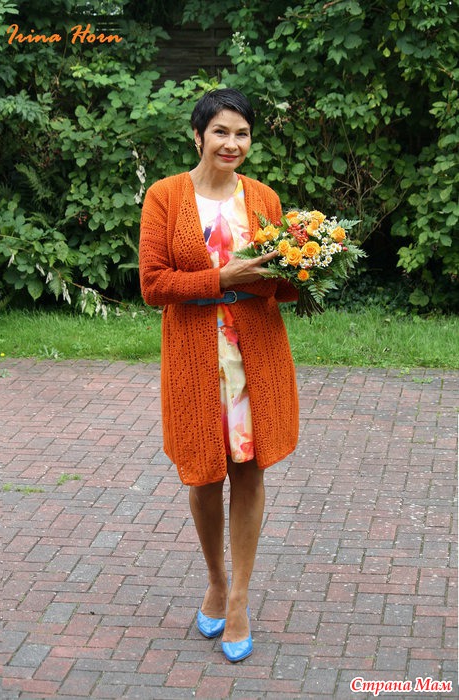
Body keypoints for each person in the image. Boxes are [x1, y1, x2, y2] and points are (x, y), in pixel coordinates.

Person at [139, 88, 299, 663]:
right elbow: (153, 284)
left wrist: (306, 269)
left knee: (248, 469)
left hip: (255, 353)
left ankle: (239, 600)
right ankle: (214, 579)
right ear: (198, 136)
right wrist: (220, 278)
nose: (232, 144)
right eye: (221, 132)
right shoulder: (165, 196)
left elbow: (279, 282)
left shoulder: (264, 198)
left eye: (242, 134)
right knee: (204, 474)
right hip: (195, 355)